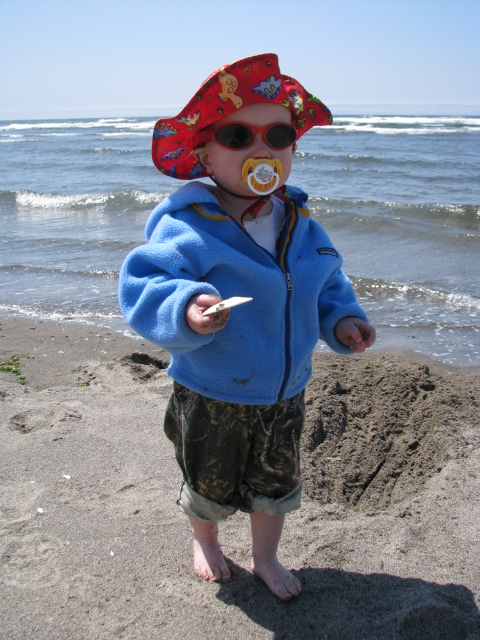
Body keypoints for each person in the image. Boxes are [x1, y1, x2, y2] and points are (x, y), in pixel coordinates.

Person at [119, 53, 376, 601]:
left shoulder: (301, 224)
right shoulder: (186, 224)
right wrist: (187, 307)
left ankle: (265, 556)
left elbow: (325, 281)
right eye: (238, 135)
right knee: (207, 483)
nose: (262, 149)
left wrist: (344, 317)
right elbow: (148, 282)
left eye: (277, 135)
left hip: (285, 389)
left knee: (275, 484)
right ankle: (206, 541)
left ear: (292, 149)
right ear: (205, 155)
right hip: (212, 389)